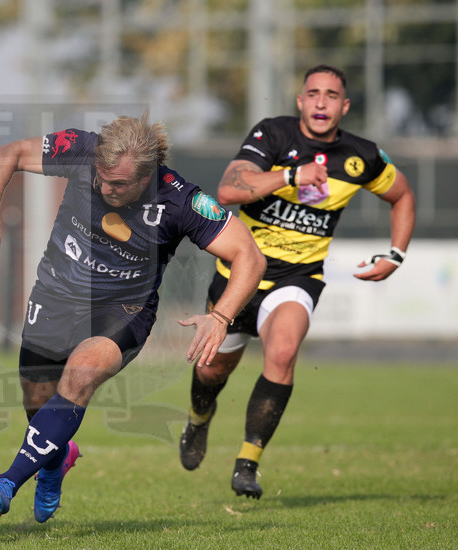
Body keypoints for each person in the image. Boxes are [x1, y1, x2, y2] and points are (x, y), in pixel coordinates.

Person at [0, 113, 266, 523]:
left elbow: (250, 255)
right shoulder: (82, 150)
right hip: (54, 297)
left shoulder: (180, 200)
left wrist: (222, 316)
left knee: (81, 374)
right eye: (101, 179)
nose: (105, 189)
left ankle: (6, 483)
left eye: (118, 184)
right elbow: (10, 153)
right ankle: (55, 459)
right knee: (39, 406)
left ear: (147, 176)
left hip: (123, 309)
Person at [178, 64, 416, 499]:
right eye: (313, 93)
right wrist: (291, 176)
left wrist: (395, 254)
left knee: (283, 352)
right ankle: (198, 421)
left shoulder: (361, 155)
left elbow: (402, 195)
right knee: (211, 370)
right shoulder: (273, 135)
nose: (321, 102)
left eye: (331, 95)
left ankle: (248, 462)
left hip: (298, 277)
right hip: (240, 275)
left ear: (344, 105)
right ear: (301, 101)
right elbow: (229, 191)